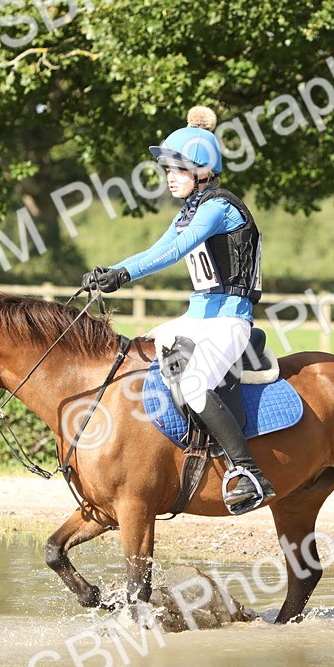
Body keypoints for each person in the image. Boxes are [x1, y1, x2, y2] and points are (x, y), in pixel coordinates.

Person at [81, 106, 275, 513]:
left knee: (193, 384)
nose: (169, 176)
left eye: (178, 169)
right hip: (198, 317)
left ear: (202, 170)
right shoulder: (191, 210)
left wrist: (124, 275)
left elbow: (172, 252)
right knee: (145, 350)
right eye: (166, 169)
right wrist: (112, 272)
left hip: (228, 319)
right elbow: (156, 248)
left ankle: (248, 472)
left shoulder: (219, 208)